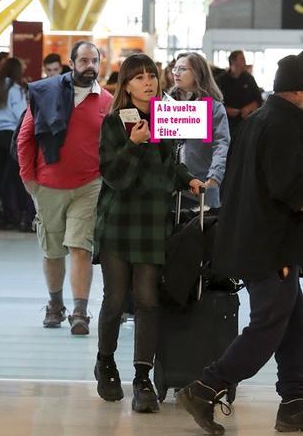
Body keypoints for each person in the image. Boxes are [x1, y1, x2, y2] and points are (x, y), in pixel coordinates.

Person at [178, 53, 303, 435]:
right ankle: (207, 386)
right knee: (268, 324)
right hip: (271, 245)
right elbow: (290, 188)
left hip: (255, 240)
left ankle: (295, 401)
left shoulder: (261, 119)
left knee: (294, 321)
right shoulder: (285, 125)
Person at [93, 53, 204, 413]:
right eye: (138, 77)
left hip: (153, 222)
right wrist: (134, 145)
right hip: (119, 223)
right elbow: (115, 177)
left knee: (147, 299)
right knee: (115, 299)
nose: (148, 83)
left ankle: (143, 376)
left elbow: (171, 165)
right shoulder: (113, 124)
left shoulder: (165, 117)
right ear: (125, 85)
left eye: (151, 76)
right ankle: (105, 361)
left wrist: (188, 179)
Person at [17, 41, 113, 334]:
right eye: (83, 60)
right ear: (72, 63)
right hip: (48, 185)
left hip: (89, 185)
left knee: (81, 247)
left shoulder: (107, 101)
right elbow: (26, 138)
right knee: (53, 251)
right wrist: (28, 178)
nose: (89, 66)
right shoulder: (48, 94)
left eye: (94, 61)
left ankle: (80, 311)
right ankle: (55, 305)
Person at [170, 52, 230, 208]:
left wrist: (214, 176)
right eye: (175, 68)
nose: (176, 73)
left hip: (202, 185)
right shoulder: (167, 104)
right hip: (171, 186)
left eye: (182, 69)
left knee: (201, 229)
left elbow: (221, 144)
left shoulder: (214, 107)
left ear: (197, 72)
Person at [0, 57, 29, 231]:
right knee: (16, 179)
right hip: (11, 137)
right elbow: (22, 115)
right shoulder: (15, 90)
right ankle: (22, 216)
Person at [216, 50, 262, 138]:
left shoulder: (249, 79)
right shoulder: (221, 80)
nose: (245, 62)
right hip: (226, 123)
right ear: (233, 61)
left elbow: (258, 99)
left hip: (245, 122)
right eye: (242, 59)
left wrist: (250, 107)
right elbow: (213, 101)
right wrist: (225, 110)